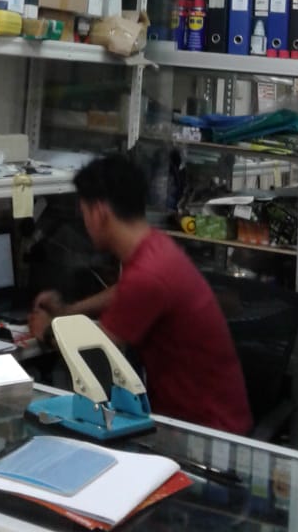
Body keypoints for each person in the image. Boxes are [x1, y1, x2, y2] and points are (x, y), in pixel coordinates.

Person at [29, 152, 253, 435]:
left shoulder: (149, 276)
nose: (84, 222)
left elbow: (95, 355)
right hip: (201, 418)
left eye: (84, 212)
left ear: (99, 212)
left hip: (204, 433)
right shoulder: (155, 248)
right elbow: (123, 292)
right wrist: (67, 312)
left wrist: (47, 331)